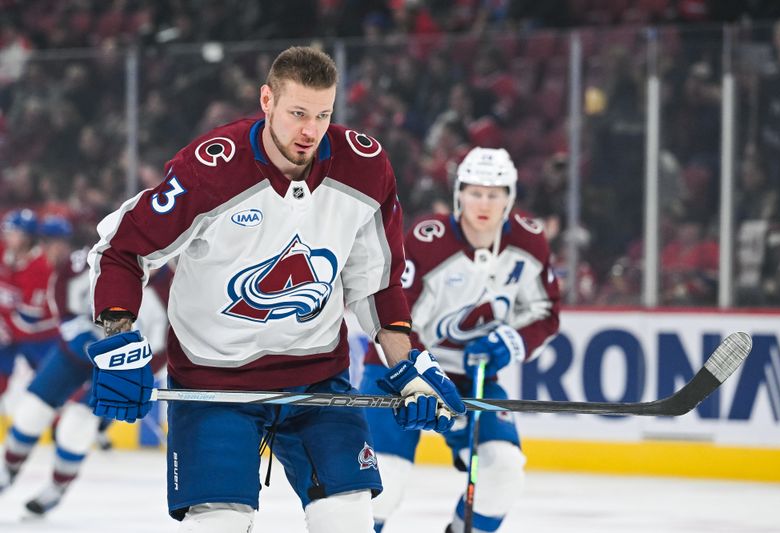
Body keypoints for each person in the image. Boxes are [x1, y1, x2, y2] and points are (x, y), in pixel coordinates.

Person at [85, 46, 465, 533]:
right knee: (217, 525)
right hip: (214, 382)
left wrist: (409, 365)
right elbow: (123, 248)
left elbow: (377, 283)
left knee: (347, 520)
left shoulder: (365, 169)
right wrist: (118, 339)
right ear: (267, 100)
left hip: (315, 380)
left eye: (323, 115)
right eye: (298, 113)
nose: (310, 131)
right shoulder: (212, 170)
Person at [360, 147, 561, 533]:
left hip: (473, 378)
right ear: (459, 194)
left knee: (503, 472)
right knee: (385, 485)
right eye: (474, 191)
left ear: (510, 197)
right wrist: (414, 371)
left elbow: (545, 312)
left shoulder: (530, 241)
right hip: (399, 374)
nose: (483, 203)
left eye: (494, 193)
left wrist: (510, 341)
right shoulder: (427, 240)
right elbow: (393, 314)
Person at [0, 214, 171, 516]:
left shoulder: (167, 290)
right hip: (74, 351)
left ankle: (58, 486)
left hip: (116, 368)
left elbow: (163, 345)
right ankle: (7, 469)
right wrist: (73, 330)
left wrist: (132, 370)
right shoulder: (92, 261)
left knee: (76, 425)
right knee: (31, 412)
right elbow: (63, 291)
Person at [0, 209, 60, 396]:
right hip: (9, 331)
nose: (7, 236)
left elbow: (28, 319)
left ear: (27, 237)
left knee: (51, 390)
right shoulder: (3, 251)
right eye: (6, 231)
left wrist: (3, 324)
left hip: (42, 337)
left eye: (13, 232)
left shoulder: (40, 266)